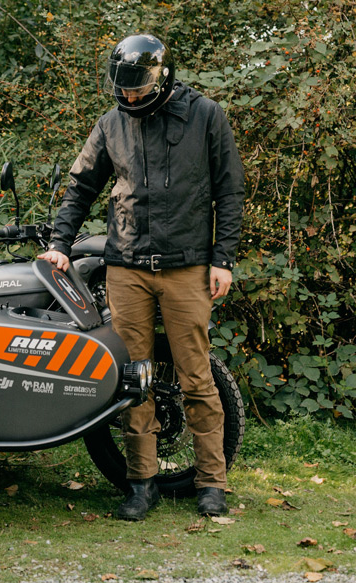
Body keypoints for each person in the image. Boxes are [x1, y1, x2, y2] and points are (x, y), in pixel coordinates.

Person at [38, 33, 244, 520]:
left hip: (188, 267)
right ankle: (140, 483)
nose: (129, 96)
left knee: (195, 377)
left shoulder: (206, 115)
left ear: (162, 76)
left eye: (137, 88)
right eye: (123, 88)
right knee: (135, 380)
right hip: (127, 268)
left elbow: (229, 190)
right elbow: (81, 186)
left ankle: (212, 483)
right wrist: (59, 245)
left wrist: (224, 259)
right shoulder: (111, 124)